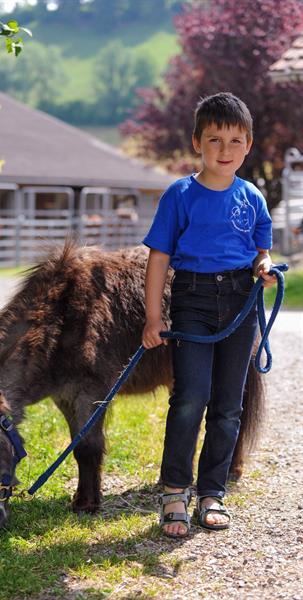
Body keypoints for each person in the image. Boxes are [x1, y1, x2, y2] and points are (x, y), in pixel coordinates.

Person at [142, 92, 276, 538]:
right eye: (215, 139)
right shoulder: (180, 194)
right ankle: (175, 490)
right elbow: (159, 258)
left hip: (240, 300)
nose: (224, 150)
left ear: (248, 145)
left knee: (228, 405)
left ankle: (212, 492)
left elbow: (261, 249)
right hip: (193, 299)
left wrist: (262, 267)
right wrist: (152, 317)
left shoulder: (252, 196)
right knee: (190, 398)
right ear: (197, 141)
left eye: (235, 140)